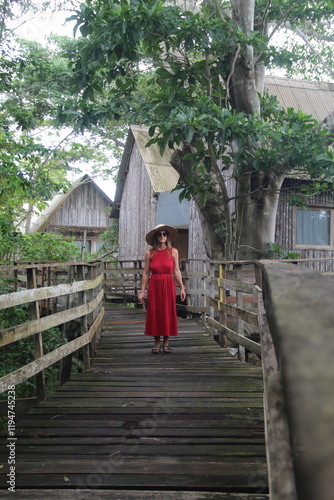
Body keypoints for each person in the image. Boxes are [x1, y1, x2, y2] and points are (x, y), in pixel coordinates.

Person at [138, 224, 186, 353]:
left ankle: (166, 342)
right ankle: (156, 343)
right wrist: (142, 291)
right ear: (155, 236)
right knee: (155, 310)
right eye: (159, 234)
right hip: (155, 284)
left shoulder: (173, 252)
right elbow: (146, 273)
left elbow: (176, 270)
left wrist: (182, 287)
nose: (162, 236)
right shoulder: (149, 253)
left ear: (168, 236)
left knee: (167, 311)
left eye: (164, 234)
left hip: (168, 283)